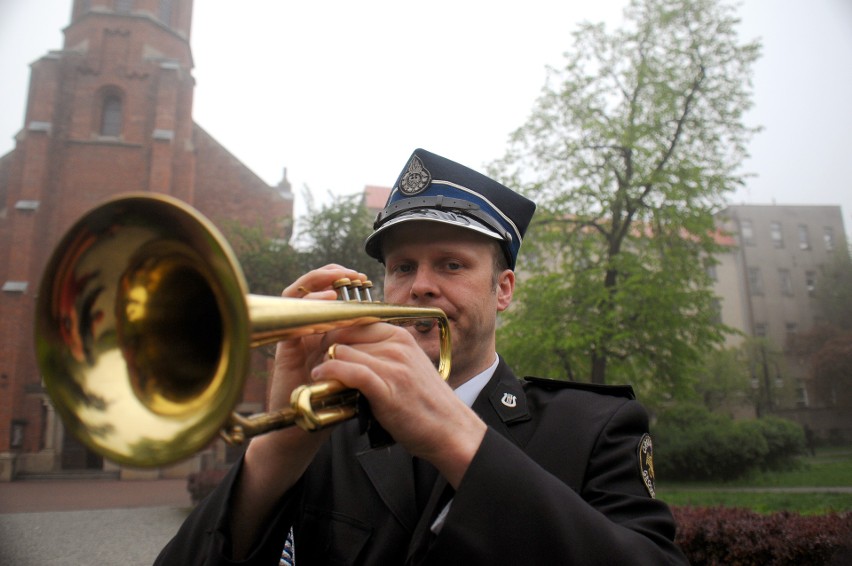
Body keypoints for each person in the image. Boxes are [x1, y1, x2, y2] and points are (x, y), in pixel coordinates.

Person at [155, 149, 688, 565]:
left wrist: (456, 438)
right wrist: (277, 449)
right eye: (403, 267)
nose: (420, 287)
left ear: (503, 290)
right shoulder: (329, 435)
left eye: (452, 265)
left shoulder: (594, 427)